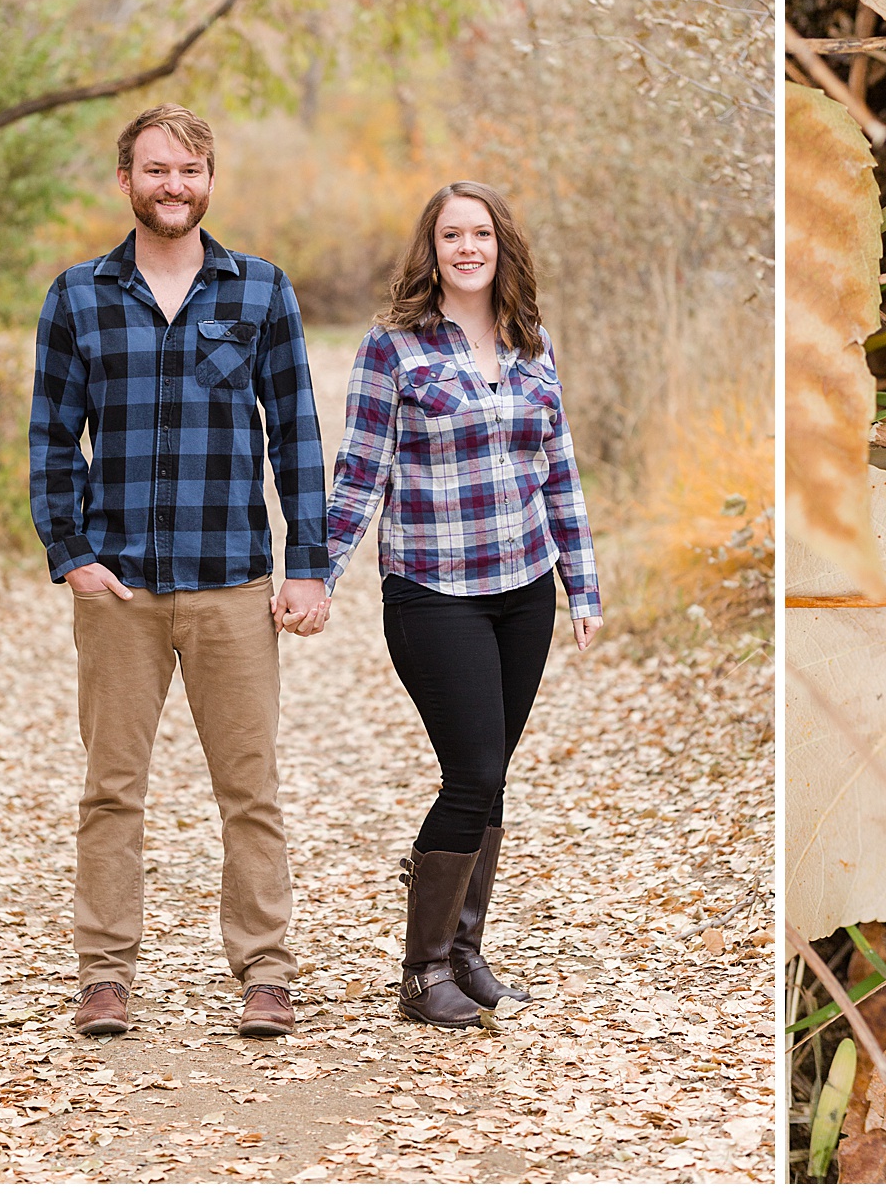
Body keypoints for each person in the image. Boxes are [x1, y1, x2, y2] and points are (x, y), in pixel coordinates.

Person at [29, 103, 331, 1041]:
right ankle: (105, 975)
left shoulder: (261, 291)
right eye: (156, 169)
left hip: (233, 581)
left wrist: (307, 564)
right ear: (126, 180)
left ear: (210, 180)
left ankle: (266, 974)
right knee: (112, 787)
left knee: (251, 790)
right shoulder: (77, 296)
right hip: (119, 589)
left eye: (190, 170)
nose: (174, 185)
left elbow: (299, 438)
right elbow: (50, 437)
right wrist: (70, 551)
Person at [323, 180, 602, 1028]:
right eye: (452, 235)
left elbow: (558, 468)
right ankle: (421, 971)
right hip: (433, 589)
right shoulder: (394, 348)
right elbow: (361, 469)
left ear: (501, 244)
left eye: (481, 233)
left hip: (523, 589)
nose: (468, 247)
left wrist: (580, 582)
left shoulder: (531, 342)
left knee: (493, 778)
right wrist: (317, 572)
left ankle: (466, 953)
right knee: (472, 770)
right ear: (433, 249)